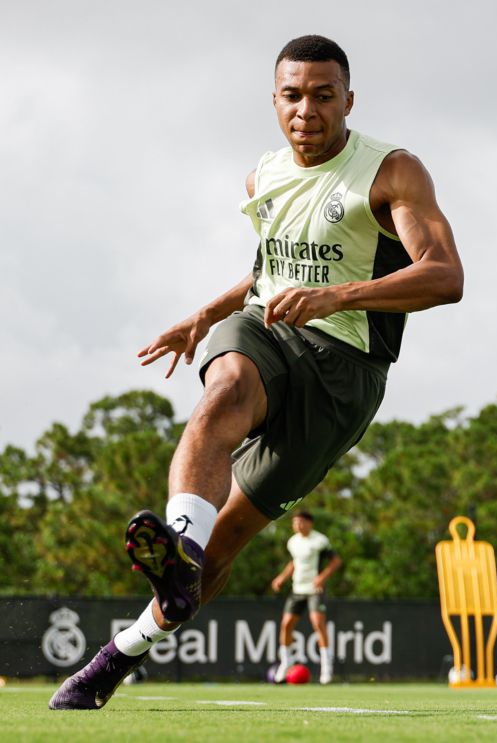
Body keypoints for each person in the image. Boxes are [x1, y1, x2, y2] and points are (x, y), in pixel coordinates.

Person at [50, 34, 464, 710]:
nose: (308, 110)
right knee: (226, 385)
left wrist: (339, 296)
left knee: (232, 534)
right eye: (294, 95)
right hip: (272, 332)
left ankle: (121, 650)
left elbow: (445, 276)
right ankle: (179, 540)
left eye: (324, 96)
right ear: (274, 101)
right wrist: (201, 315)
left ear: (348, 100)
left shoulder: (392, 172)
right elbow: (271, 271)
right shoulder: (263, 176)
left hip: (346, 372)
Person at [269, 510, 342, 684]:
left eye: (301, 522)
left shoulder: (320, 541)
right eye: (295, 522)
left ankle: (326, 668)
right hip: (297, 589)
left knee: (318, 623)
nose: (297, 525)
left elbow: (336, 561)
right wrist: (282, 577)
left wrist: (322, 578)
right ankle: (286, 662)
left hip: (315, 590)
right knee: (286, 625)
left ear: (310, 523)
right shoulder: (293, 542)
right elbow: (294, 562)